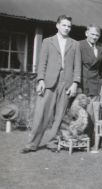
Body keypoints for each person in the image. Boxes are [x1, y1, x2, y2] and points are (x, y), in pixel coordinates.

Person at [21, 15, 81, 153]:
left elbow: (77, 66)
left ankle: (52, 142)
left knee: (59, 115)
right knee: (41, 114)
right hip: (49, 81)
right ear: (57, 25)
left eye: (69, 26)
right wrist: (40, 80)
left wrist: (75, 84)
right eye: (64, 25)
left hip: (66, 82)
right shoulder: (48, 41)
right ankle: (32, 144)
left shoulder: (75, 44)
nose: (67, 28)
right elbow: (42, 62)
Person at [79, 24, 102, 136]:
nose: (94, 37)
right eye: (92, 34)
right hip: (83, 81)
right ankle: (76, 136)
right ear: (86, 33)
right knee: (81, 110)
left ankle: (88, 138)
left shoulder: (101, 47)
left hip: (95, 83)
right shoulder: (79, 44)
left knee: (92, 111)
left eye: (97, 35)